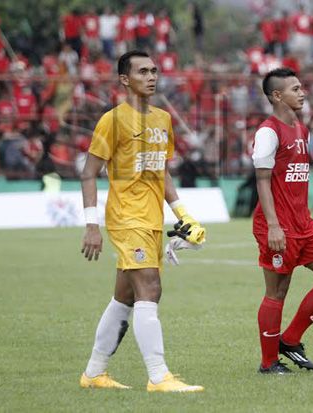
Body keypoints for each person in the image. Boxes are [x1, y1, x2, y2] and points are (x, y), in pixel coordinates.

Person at [79, 50, 205, 392]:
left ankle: (93, 373)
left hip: (152, 218)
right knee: (150, 287)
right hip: (125, 217)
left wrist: (184, 214)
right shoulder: (112, 120)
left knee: (124, 297)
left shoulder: (163, 119)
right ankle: (158, 376)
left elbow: (160, 171)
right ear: (124, 79)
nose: (152, 76)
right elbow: (89, 173)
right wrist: (92, 225)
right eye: (143, 71)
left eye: (154, 71)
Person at [252, 68, 313, 374]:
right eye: (295, 88)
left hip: (304, 223)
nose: (302, 92)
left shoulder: (301, 129)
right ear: (277, 96)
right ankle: (268, 363)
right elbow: (263, 181)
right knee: (277, 292)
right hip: (278, 224)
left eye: (302, 87)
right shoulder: (268, 132)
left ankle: (290, 339)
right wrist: (274, 225)